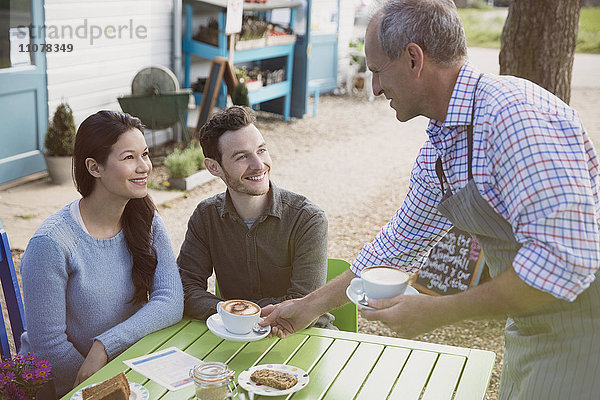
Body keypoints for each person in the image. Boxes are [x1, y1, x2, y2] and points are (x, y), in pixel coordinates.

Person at [260, 1, 600, 398]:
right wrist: (309, 306)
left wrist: (440, 311)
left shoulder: (513, 118)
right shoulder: (442, 142)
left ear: (413, 59)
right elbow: (399, 245)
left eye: (377, 71)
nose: (375, 88)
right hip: (530, 324)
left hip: (585, 330)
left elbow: (565, 262)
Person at [19, 111, 184, 397]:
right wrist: (106, 385)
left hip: (125, 369)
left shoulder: (146, 220)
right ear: (95, 168)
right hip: (65, 384)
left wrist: (105, 346)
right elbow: (49, 346)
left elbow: (170, 300)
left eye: (145, 154)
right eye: (129, 157)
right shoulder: (51, 243)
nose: (144, 166)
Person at [178, 106, 333, 327]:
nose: (259, 165)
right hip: (235, 336)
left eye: (261, 150)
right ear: (214, 167)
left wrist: (235, 312)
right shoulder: (206, 217)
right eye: (242, 157)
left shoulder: (307, 219)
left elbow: (302, 302)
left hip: (305, 335)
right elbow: (185, 289)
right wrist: (234, 314)